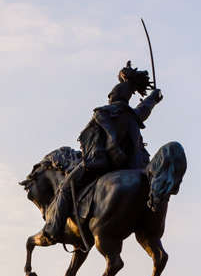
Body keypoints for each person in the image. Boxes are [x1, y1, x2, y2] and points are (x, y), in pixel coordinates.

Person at [42, 61, 163, 244]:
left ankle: (54, 228)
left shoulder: (103, 113)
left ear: (113, 96)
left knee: (65, 187)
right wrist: (153, 97)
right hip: (131, 164)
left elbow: (92, 141)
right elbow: (144, 109)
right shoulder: (132, 115)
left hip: (101, 163)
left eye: (110, 95)